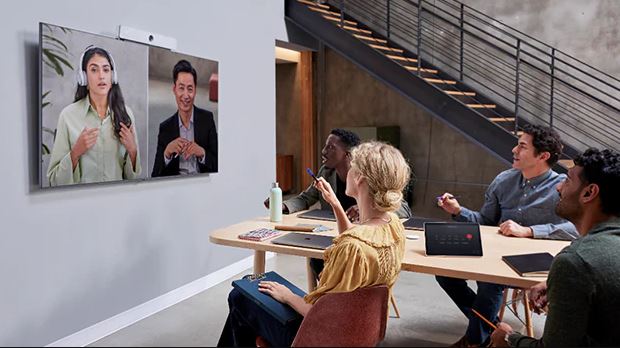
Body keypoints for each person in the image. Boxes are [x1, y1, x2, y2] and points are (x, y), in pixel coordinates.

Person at [218, 141, 411, 347]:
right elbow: (360, 240)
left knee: (240, 296)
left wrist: (288, 296)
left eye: (352, 165)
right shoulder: (394, 226)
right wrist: (335, 203)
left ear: (360, 178)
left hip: (321, 339)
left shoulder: (351, 247)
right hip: (357, 336)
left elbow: (323, 316)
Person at [435, 124, 578, 347]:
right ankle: (493, 332)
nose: (514, 150)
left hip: (536, 261)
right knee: (444, 273)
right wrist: (457, 211)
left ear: (543, 156)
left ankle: (475, 341)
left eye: (522, 146)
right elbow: (484, 222)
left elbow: (577, 228)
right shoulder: (504, 180)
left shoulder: (561, 187)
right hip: (495, 255)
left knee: (490, 281)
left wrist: (529, 231)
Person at [490, 148, 620, 347]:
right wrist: (556, 283)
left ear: (589, 192)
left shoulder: (576, 261)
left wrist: (509, 338)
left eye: (567, 180)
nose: (559, 187)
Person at [265, 128, 412, 279]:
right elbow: (306, 198)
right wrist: (282, 205)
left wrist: (369, 208)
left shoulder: (369, 180)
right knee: (318, 260)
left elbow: (401, 208)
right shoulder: (326, 173)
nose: (324, 151)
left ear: (348, 155)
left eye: (331, 147)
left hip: (358, 241)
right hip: (336, 237)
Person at [47, 46, 140, 186]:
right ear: (83, 77)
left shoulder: (126, 115)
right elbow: (54, 181)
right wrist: (75, 152)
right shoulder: (67, 116)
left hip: (118, 200)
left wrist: (133, 151)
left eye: (106, 69)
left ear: (112, 76)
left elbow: (134, 181)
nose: (101, 75)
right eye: (94, 70)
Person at [151, 60, 218, 177]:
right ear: (174, 90)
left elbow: (219, 164)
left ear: (195, 91)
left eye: (190, 89)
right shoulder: (165, 128)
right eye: (181, 88)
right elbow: (155, 175)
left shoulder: (207, 120)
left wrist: (202, 153)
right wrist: (167, 153)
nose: (186, 95)